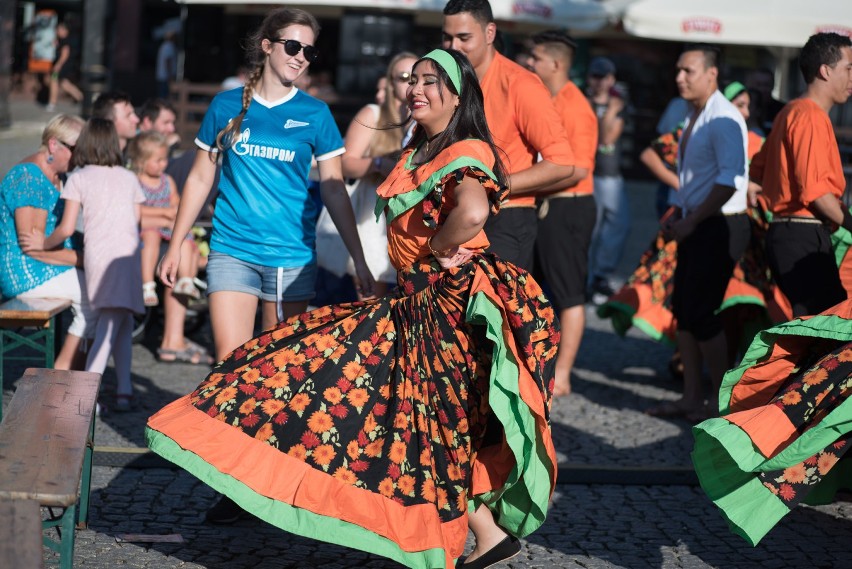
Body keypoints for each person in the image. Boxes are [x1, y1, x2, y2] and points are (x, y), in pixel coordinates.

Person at [147, 47, 558, 569]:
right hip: (417, 301)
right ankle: (487, 535)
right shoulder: (423, 147)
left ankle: (475, 536)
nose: (416, 89)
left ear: (458, 96)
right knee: (412, 418)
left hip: (447, 306)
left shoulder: (465, 147)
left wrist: (434, 251)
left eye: (431, 82)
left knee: (415, 418)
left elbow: (473, 210)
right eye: (413, 80)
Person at [155, 8, 374, 522]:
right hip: (232, 251)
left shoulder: (317, 115)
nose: (301, 57)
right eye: (293, 47)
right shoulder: (227, 105)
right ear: (268, 46)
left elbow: (335, 191)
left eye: (309, 50)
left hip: (290, 262)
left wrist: (359, 258)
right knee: (230, 369)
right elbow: (199, 180)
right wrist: (175, 241)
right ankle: (234, 488)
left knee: (279, 375)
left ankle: (274, 480)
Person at [600, 80, 791, 380]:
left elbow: (746, 180)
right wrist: (683, 188)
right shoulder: (698, 125)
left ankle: (719, 384)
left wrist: (753, 188)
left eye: (746, 105)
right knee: (693, 306)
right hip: (700, 221)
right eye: (738, 103)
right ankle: (696, 379)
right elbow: (651, 155)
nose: (744, 110)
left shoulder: (752, 137)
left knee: (728, 309)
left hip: (739, 233)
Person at [647, 44, 750, 422]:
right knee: (685, 312)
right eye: (678, 70)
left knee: (702, 313)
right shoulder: (696, 113)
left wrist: (692, 220)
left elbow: (730, 180)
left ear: (711, 74)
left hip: (721, 223)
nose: (679, 77)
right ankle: (692, 397)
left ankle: (721, 402)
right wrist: (683, 213)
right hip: (697, 219)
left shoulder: (723, 117)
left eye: (688, 71)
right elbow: (700, 178)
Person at [21, 118, 145, 412]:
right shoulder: (129, 178)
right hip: (127, 256)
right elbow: (137, 221)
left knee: (114, 321)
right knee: (118, 321)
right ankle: (104, 390)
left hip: (99, 257)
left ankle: (93, 389)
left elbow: (65, 229)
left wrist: (42, 244)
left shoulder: (79, 177)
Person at [441, 0, 575, 270]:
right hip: (453, 217)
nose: (454, 47)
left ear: (490, 33)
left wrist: (495, 185)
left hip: (505, 217)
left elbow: (562, 163)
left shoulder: (520, 84)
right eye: (447, 38)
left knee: (493, 311)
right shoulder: (447, 80)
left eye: (464, 38)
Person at [750, 32, 852, 319]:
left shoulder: (789, 111)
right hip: (801, 234)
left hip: (787, 234)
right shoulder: (810, 116)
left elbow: (756, 171)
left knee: (814, 331)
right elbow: (817, 194)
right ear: (825, 70)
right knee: (824, 332)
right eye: (849, 68)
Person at [526, 30, 598, 398]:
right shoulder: (546, 97)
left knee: (569, 294)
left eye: (536, 58)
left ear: (555, 63)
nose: (529, 63)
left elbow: (579, 170)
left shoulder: (576, 106)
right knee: (539, 289)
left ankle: (565, 375)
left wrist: (529, 184)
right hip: (548, 202)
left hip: (569, 205)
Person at [316, 51, 418, 299]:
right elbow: (345, 163)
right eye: (403, 77)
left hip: (409, 218)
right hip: (372, 215)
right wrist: (377, 164)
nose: (409, 83)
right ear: (391, 82)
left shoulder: (421, 116)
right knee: (372, 300)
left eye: (415, 77)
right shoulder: (372, 114)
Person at [0, 114, 93, 370]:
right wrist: (82, 259)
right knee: (94, 297)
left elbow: (45, 243)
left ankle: (73, 379)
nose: (81, 158)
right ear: (54, 145)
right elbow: (31, 247)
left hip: (47, 265)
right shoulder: (29, 177)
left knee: (99, 292)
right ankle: (63, 378)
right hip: (24, 272)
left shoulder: (56, 175)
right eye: (77, 150)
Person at [128, 131, 202, 308]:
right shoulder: (135, 181)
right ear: (141, 161)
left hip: (167, 232)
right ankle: (148, 285)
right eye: (158, 160)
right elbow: (136, 211)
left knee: (183, 241)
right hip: (146, 231)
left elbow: (176, 203)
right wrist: (164, 213)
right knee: (151, 237)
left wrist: (173, 210)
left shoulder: (167, 181)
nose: (163, 164)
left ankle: (185, 280)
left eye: (164, 159)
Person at [586, 56, 630, 304]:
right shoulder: (583, 102)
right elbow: (602, 138)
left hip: (610, 176)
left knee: (618, 227)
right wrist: (610, 111)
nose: (600, 82)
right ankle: (587, 278)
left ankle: (600, 277)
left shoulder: (620, 106)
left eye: (604, 77)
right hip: (589, 174)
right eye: (596, 76)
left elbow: (607, 139)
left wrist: (612, 110)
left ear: (612, 79)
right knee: (590, 231)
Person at [46, 22, 82, 112]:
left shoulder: (65, 41)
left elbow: (64, 54)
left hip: (61, 66)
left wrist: (58, 65)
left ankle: (52, 103)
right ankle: (80, 97)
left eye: (60, 30)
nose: (58, 32)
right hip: (64, 65)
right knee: (64, 83)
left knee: (54, 81)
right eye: (57, 30)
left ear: (65, 31)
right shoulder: (61, 40)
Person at [745, 67, 786, 134]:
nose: (762, 89)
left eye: (766, 85)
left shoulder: (782, 110)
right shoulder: (743, 108)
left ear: (773, 86)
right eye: (759, 85)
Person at [156, 31, 178, 99]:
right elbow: (168, 61)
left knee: (162, 94)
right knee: (165, 95)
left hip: (162, 75)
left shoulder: (163, 45)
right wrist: (170, 75)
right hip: (166, 76)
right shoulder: (169, 46)